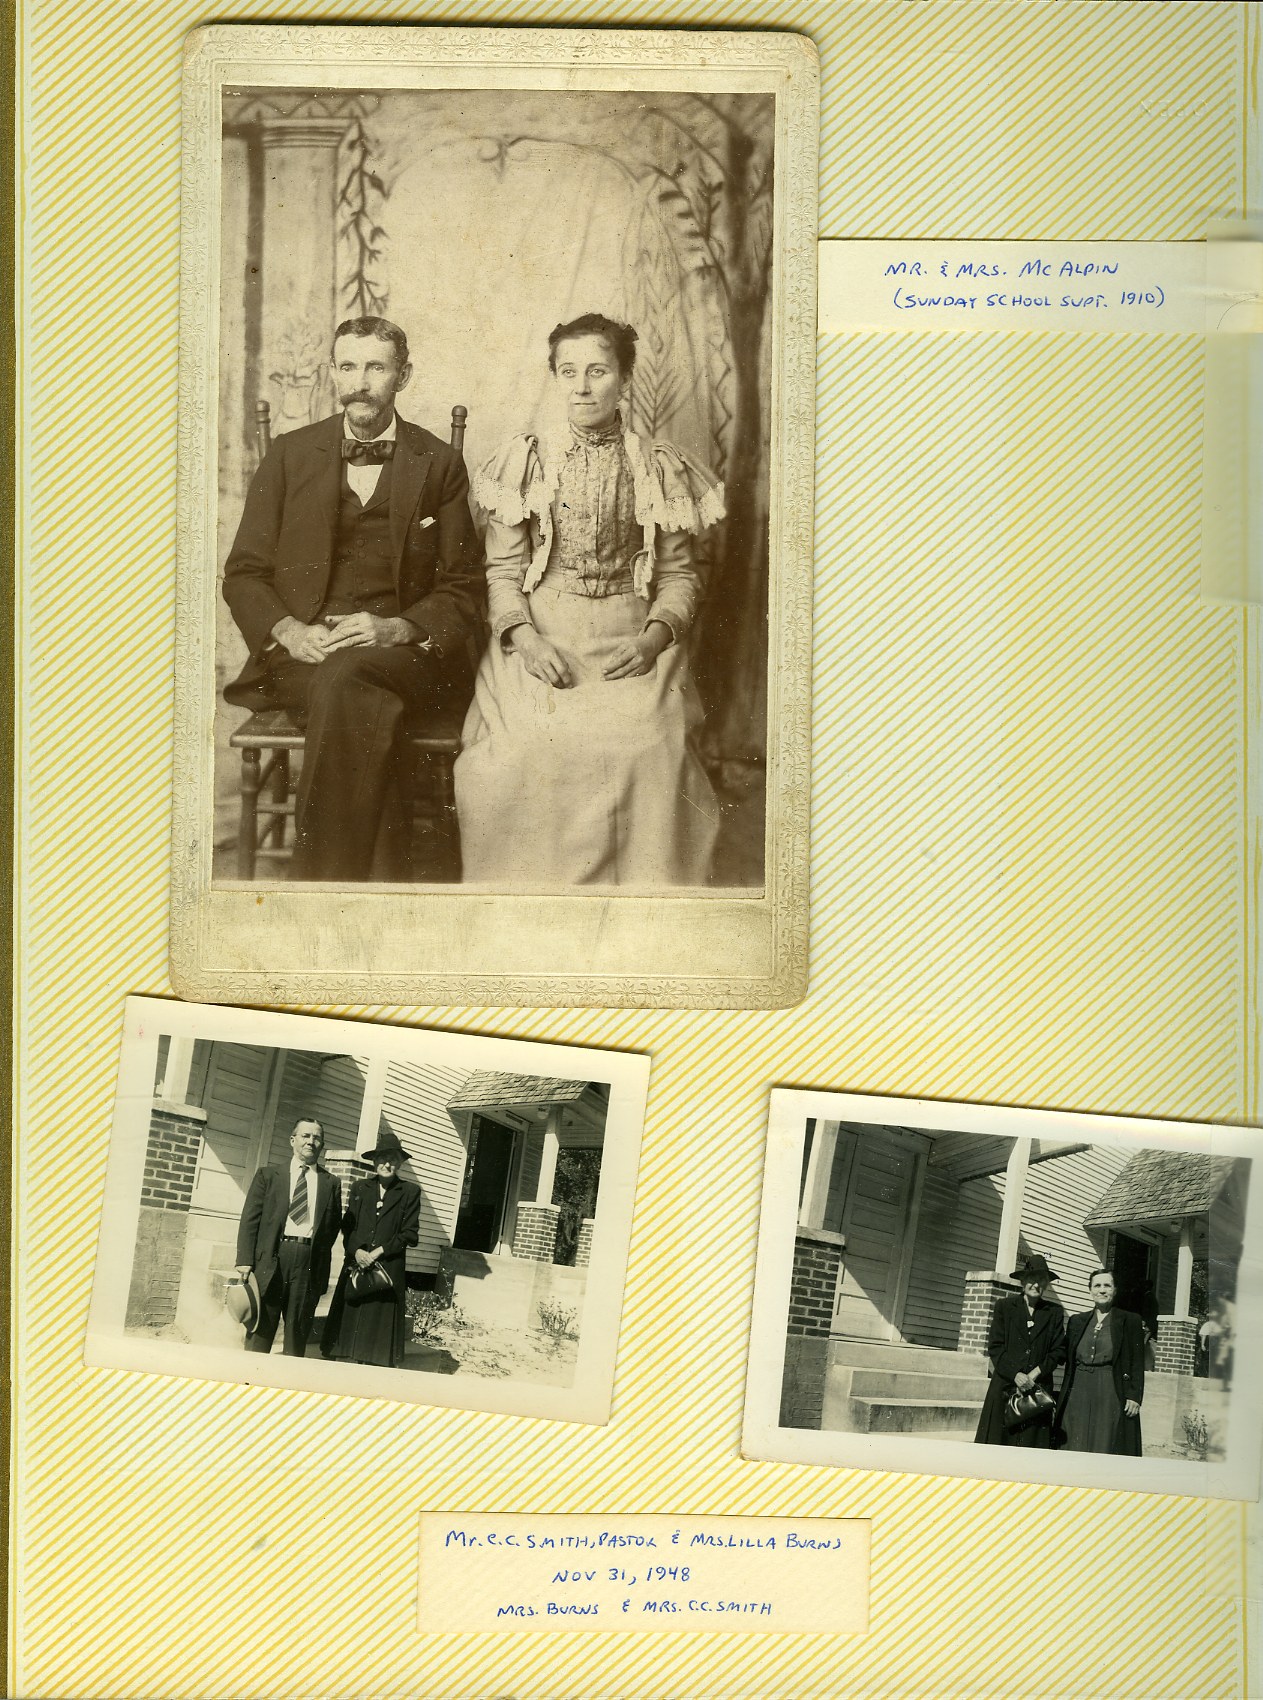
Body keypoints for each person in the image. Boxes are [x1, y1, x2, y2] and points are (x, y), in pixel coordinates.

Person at [454, 312, 726, 887]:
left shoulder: (658, 466)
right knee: (528, 748)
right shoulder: (526, 461)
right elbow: (502, 572)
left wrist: (653, 639)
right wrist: (525, 640)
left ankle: (641, 905)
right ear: (555, 376)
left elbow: (680, 575)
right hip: (542, 633)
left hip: (633, 634)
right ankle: (533, 901)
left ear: (624, 377)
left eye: (597, 371)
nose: (582, 386)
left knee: (648, 746)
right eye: (568, 371)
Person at [222, 316, 483, 881]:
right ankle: (381, 886)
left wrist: (398, 627)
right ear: (333, 373)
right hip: (305, 655)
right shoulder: (289, 455)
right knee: (353, 691)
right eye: (347, 366)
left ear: (403, 376)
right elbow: (243, 573)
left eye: (375, 367)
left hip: (403, 654)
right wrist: (290, 631)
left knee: (350, 678)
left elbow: (464, 585)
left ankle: (320, 888)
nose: (360, 382)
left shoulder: (439, 462)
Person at [235, 1118, 342, 1357]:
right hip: (273, 1258)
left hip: (308, 1262)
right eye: (306, 1136)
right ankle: (249, 1375)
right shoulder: (268, 1175)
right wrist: (245, 1260)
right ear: (293, 1140)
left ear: (322, 1145)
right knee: (261, 1328)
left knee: (297, 1332)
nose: (311, 1141)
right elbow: (250, 1220)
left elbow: (331, 1228)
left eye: (317, 1138)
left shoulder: (331, 1183)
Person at [323, 1129, 421, 1369]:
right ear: (374, 1161)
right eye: (382, 1158)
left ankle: (373, 1365)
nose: (387, 1164)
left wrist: (378, 1253)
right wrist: (356, 1251)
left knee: (377, 1325)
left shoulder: (410, 1192)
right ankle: (344, 1357)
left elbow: (409, 1234)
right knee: (350, 1315)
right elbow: (348, 1226)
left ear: (400, 1163)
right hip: (357, 1263)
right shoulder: (360, 1188)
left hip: (387, 1266)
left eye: (393, 1159)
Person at [973, 1254, 1067, 1448]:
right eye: (1031, 1279)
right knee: (998, 1446)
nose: (1036, 1284)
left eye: (1041, 1280)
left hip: (1037, 1392)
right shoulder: (1005, 1307)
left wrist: (1035, 1373)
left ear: (1046, 1284)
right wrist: (1015, 1374)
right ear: (1023, 1281)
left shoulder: (1054, 1312)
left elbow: (1058, 1351)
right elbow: (996, 1347)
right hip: (1006, 1386)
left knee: (1030, 1449)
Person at [1055, 1268, 1145, 1455]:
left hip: (1109, 1388)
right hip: (1078, 1388)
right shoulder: (1077, 1321)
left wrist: (1134, 1395)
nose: (1102, 1290)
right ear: (1090, 1290)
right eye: (1097, 1286)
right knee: (1074, 1438)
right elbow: (1061, 1352)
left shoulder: (1130, 1320)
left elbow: (1137, 1361)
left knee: (1104, 1440)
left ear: (1115, 1290)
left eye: (1107, 1286)